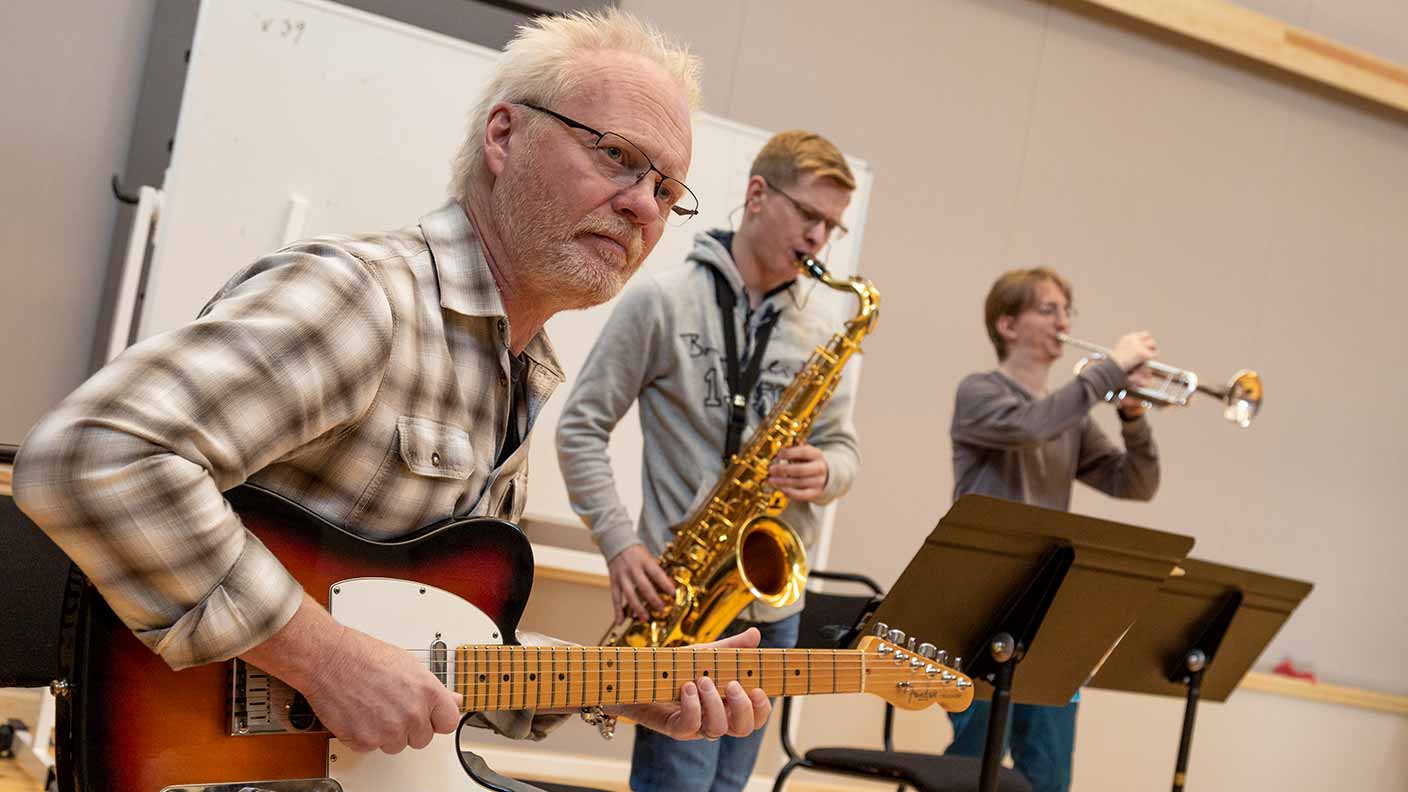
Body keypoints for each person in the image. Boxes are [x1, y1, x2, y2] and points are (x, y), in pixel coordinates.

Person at [12, 10, 773, 757]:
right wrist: (320, 658)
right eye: (615, 155)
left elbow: (440, 651)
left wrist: (615, 684)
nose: (644, 204)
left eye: (668, 191)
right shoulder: (365, 300)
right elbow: (93, 457)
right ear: (504, 136)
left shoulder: (519, 366)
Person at [556, 130, 862, 792]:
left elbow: (845, 451)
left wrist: (826, 472)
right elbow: (580, 426)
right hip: (684, 599)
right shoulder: (661, 300)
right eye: (809, 215)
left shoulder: (825, 328)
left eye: (832, 226)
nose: (820, 239)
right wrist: (618, 544)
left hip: (772, 605)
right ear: (757, 195)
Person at [945, 266, 1162, 792]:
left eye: (1067, 310)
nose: (1063, 321)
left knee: (1048, 771)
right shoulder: (979, 392)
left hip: (1049, 606)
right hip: (982, 604)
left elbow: (1134, 483)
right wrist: (1106, 372)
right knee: (974, 766)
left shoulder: (1073, 417)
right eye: (1048, 309)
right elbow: (1030, 425)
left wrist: (1132, 416)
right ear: (1007, 325)